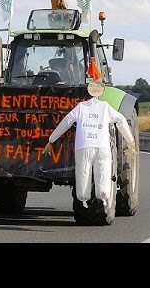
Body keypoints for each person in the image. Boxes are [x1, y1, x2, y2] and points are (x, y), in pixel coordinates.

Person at [43, 80, 136, 208]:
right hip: (102, 147)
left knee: (83, 173)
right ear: (101, 91)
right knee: (103, 172)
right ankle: (103, 197)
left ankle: (83, 200)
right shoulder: (105, 107)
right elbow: (121, 120)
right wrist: (131, 142)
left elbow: (66, 122)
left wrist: (51, 140)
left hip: (83, 147)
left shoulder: (80, 107)